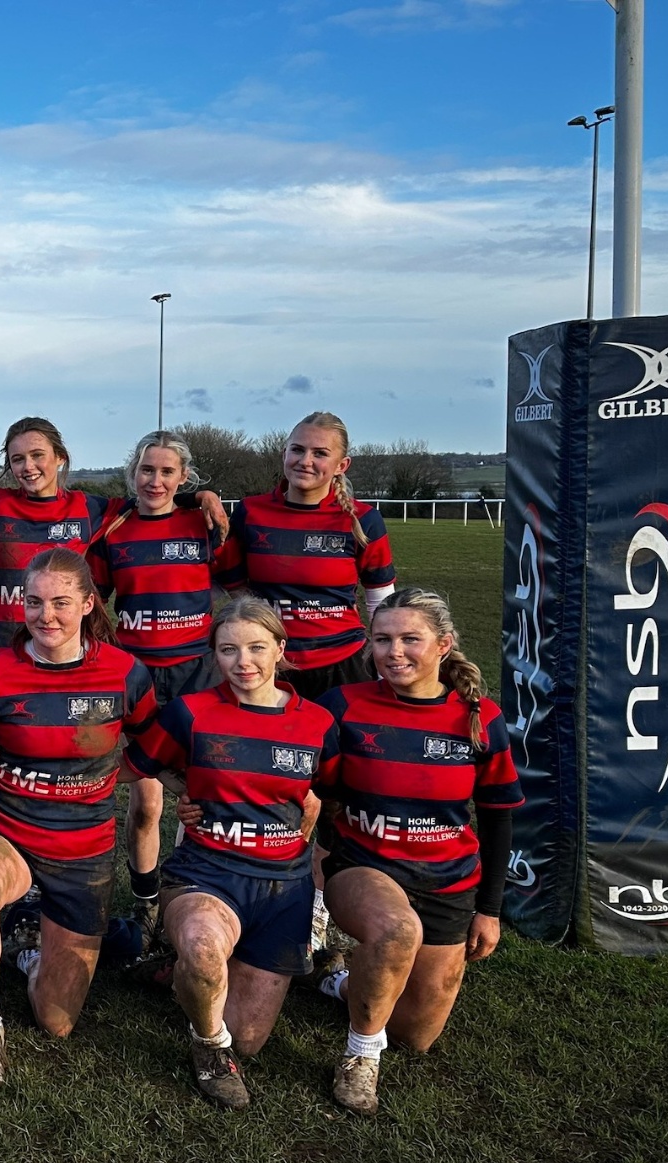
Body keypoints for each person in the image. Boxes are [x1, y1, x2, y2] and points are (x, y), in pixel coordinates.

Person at [312, 589, 521, 1114]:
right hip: (364, 866)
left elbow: (498, 817)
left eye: (411, 638)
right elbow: (300, 775)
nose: (394, 652)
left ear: (444, 645)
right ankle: (360, 1057)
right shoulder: (345, 705)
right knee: (396, 930)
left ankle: (335, 980)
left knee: (414, 1034)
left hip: (448, 882)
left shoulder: (479, 718)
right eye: (382, 639)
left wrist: (489, 910)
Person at [127, 597, 341, 1110]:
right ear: (215, 655)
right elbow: (138, 762)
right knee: (203, 951)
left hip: (282, 888)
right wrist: (184, 789)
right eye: (228, 650)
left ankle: (170, 970)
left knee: (247, 1035)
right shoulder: (191, 713)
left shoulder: (316, 722)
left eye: (256, 648)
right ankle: (207, 1049)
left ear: (281, 650)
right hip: (208, 873)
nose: (243, 662)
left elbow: (330, 792)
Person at [0, 549, 156, 1084]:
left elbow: (157, 748)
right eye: (35, 602)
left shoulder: (126, 673)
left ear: (89, 603)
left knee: (56, 1021)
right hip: (6, 829)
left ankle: (27, 941)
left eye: (62, 603)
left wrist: (110, 779)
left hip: (83, 851)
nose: (47, 616)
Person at [0, 416, 226, 659]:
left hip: (63, 642)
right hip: (0, 647)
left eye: (37, 455)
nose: (28, 467)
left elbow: (151, 496)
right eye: (17, 459)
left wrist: (199, 496)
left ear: (60, 457)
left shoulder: (90, 508)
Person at [88, 430, 227, 938]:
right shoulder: (114, 529)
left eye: (168, 472)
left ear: (183, 478)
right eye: (148, 470)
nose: (156, 480)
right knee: (146, 801)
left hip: (198, 674)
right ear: (134, 472)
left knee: (203, 790)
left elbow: (237, 580)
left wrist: (202, 499)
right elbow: (93, 600)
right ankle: (147, 905)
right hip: (138, 676)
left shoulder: (202, 522)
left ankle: (199, 892)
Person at [216, 411, 396, 700]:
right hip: (269, 664)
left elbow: (381, 600)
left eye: (320, 453)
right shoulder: (250, 512)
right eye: (297, 449)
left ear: (342, 465)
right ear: (284, 453)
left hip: (344, 664)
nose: (305, 461)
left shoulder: (365, 519)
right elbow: (235, 586)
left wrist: (384, 664)